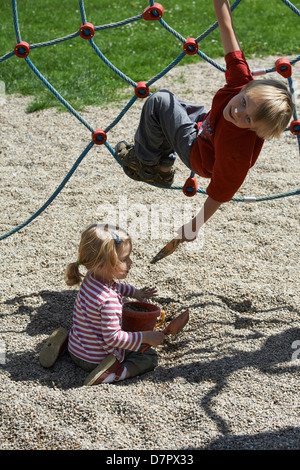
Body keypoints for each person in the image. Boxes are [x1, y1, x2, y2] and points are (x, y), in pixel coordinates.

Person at [115, 0, 294, 242]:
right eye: (243, 102)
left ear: (255, 130)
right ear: (247, 86)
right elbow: (227, 29)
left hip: (201, 155)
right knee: (180, 112)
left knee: (160, 101)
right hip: (206, 127)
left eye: (248, 118)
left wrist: (194, 226)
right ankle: (164, 169)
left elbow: (221, 193)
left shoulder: (235, 152)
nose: (238, 112)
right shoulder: (242, 81)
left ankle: (146, 164)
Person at [39, 223, 165, 385]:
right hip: (96, 360)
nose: (131, 262)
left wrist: (135, 292)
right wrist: (145, 337)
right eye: (124, 259)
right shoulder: (109, 301)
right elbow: (113, 338)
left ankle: (65, 345)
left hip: (77, 350)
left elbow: (115, 286)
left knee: (85, 326)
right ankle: (114, 374)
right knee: (149, 357)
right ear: (102, 264)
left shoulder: (91, 278)